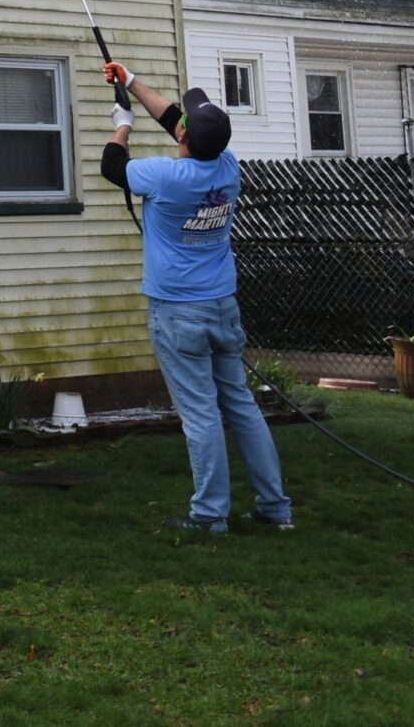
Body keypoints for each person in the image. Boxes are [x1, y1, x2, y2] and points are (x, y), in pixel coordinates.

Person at [100, 60, 293, 536]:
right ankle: (275, 508)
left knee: (200, 415)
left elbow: (112, 167)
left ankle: (209, 516)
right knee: (242, 407)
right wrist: (130, 83)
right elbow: (175, 122)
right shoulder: (227, 166)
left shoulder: (165, 177)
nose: (178, 120)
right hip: (223, 308)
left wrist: (121, 127)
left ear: (184, 136)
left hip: (178, 314)